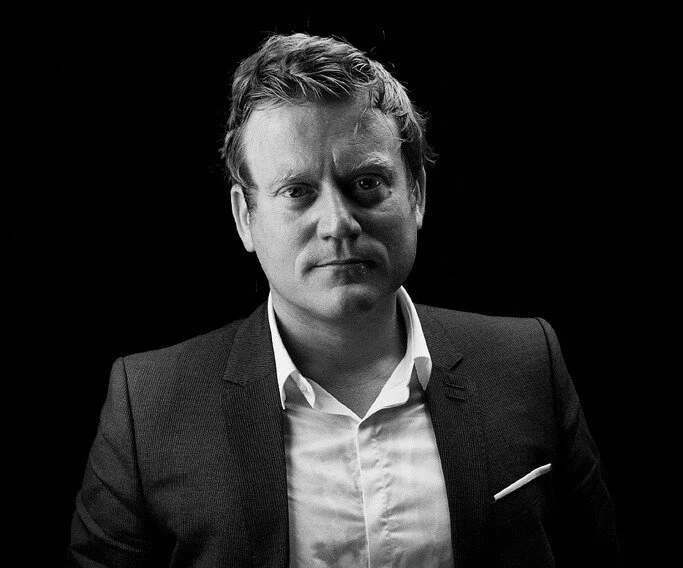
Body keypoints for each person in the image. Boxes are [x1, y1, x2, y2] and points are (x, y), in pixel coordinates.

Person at [67, 33, 620, 567]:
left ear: (416, 195)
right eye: (297, 191)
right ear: (244, 217)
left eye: (367, 183)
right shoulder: (150, 407)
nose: (337, 223)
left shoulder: (526, 365)